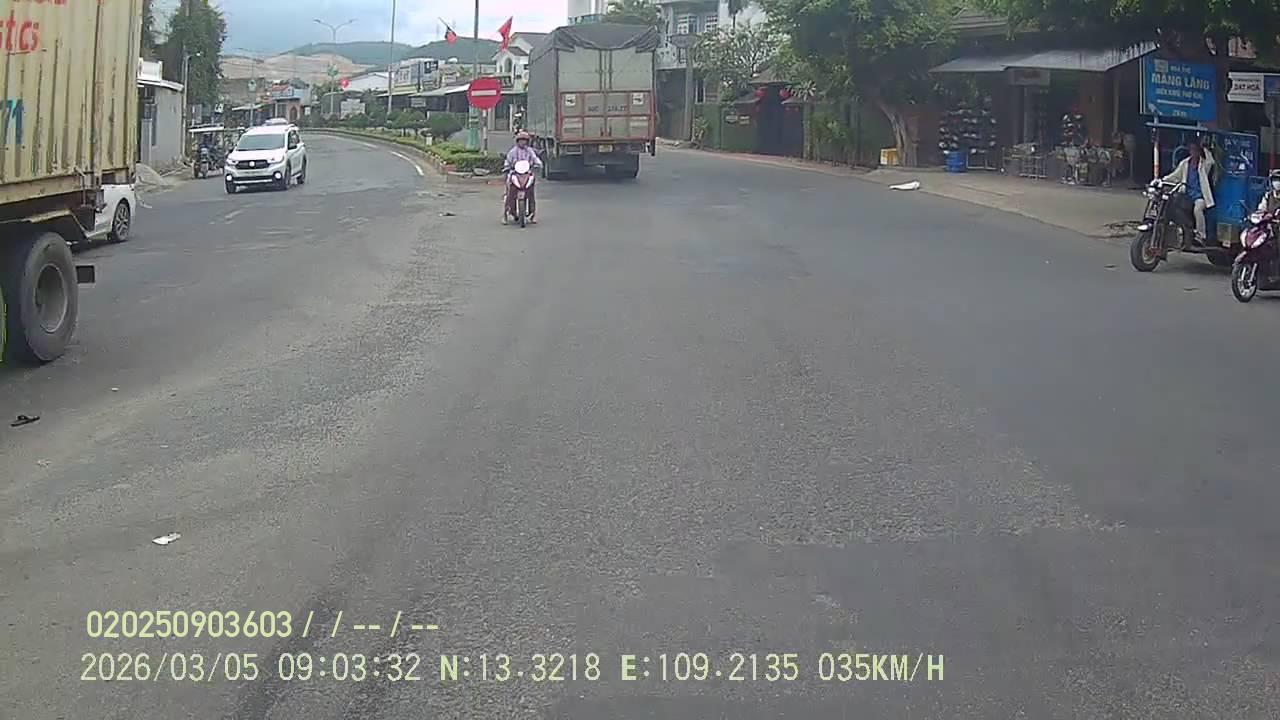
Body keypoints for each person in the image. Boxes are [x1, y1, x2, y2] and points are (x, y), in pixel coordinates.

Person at [1159, 138, 1215, 244]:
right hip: (1186, 195)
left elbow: (1211, 161)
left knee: (1198, 210)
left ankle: (1201, 235)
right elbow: (1175, 176)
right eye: (1192, 149)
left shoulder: (1203, 165)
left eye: (1196, 150)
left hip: (1199, 197)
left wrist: (1205, 148)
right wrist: (1162, 180)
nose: (1193, 152)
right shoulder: (1185, 163)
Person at [503, 131, 543, 224]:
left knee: (531, 193)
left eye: (524, 140)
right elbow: (508, 161)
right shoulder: (512, 152)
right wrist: (506, 166)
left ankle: (533, 214)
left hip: (527, 174)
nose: (523, 142)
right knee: (510, 194)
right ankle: (505, 214)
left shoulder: (529, 151)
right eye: (521, 140)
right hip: (515, 173)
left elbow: (535, 159)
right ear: (517, 141)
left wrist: (538, 164)